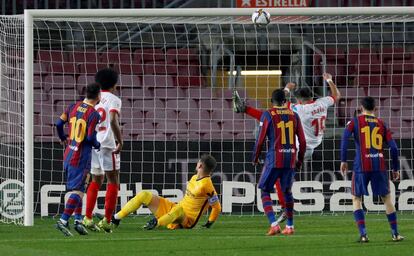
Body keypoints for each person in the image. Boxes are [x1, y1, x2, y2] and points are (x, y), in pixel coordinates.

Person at [234, 73, 341, 224]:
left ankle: (285, 208)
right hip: (313, 146)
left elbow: (277, 107)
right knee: (281, 177)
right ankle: (286, 209)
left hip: (297, 148)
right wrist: (329, 79)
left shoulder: (299, 109)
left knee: (276, 170)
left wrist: (286, 89)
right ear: (312, 97)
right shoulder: (322, 103)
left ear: (299, 100)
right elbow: (336, 95)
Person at [340, 96, 403, 243]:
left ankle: (363, 234)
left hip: (361, 166)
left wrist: (343, 160)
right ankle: (395, 234)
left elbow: (344, 140)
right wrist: (395, 168)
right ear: (375, 109)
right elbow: (394, 148)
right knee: (387, 199)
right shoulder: (382, 124)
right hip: (379, 165)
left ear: (361, 108)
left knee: (356, 198)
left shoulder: (354, 122)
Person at [111, 154, 221, 230]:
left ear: (200, 165)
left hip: (187, 221)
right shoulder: (194, 177)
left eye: (198, 162)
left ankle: (156, 223)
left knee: (177, 209)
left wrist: (209, 223)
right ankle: (116, 218)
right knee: (144, 195)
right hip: (175, 210)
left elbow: (217, 207)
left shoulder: (207, 185)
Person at [253, 89, 306, 236]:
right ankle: (289, 226)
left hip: (274, 159)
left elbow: (260, 140)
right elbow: (302, 141)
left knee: (264, 190)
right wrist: (299, 160)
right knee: (287, 192)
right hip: (290, 160)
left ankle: (274, 224)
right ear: (285, 101)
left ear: (272, 101)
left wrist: (255, 157)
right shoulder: (294, 115)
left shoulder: (268, 114)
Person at [55, 83, 101, 236]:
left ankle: (78, 221)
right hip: (80, 157)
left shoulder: (72, 107)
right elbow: (89, 137)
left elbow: (59, 123)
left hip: (68, 153)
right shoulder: (94, 114)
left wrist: (63, 137)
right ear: (98, 96)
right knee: (78, 191)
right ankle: (63, 221)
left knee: (80, 188)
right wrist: (98, 144)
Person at [83, 68, 123, 233]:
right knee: (113, 180)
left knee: (96, 180)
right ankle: (107, 220)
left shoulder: (93, 99)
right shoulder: (114, 99)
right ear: (114, 84)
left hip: (93, 143)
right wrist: (119, 140)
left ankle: (87, 218)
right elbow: (112, 118)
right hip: (107, 144)